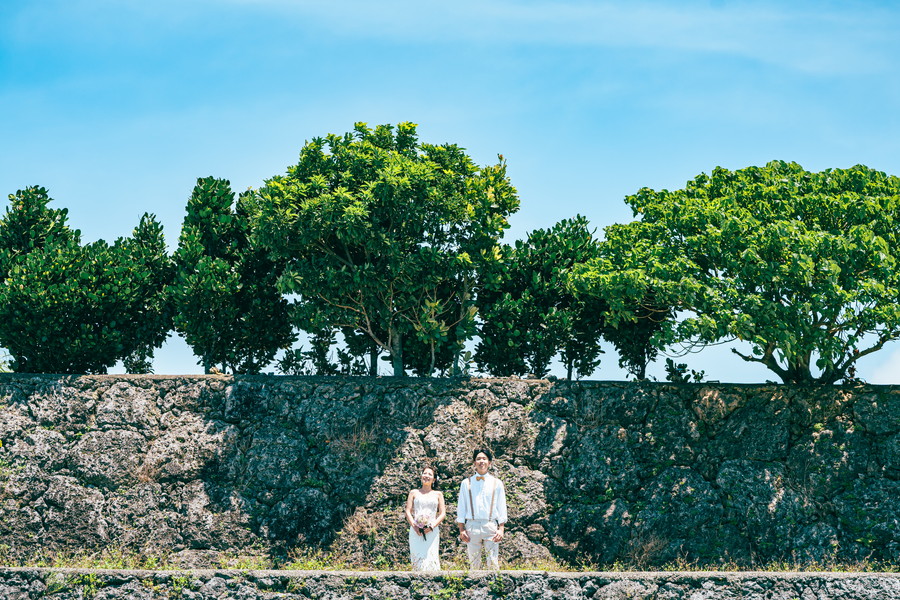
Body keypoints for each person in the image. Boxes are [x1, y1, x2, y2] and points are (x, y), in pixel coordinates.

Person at [456, 448, 507, 570]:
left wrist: (501, 529)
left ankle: (495, 587)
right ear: (474, 463)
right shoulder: (466, 483)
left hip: (490, 525)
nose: (481, 461)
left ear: (489, 462)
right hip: (472, 526)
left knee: (493, 563)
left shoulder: (497, 483)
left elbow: (501, 506)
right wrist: (461, 528)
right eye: (478, 459)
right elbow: (461, 506)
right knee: (474, 563)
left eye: (484, 459)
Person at [405, 465, 446, 571]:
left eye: (430, 474)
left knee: (431, 557)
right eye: (425, 473)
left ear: (434, 479)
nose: (426, 476)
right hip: (416, 529)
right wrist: (414, 526)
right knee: (417, 557)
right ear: (421, 476)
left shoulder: (438, 494)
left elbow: (442, 513)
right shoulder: (414, 492)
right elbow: (408, 511)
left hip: (432, 530)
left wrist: (432, 526)